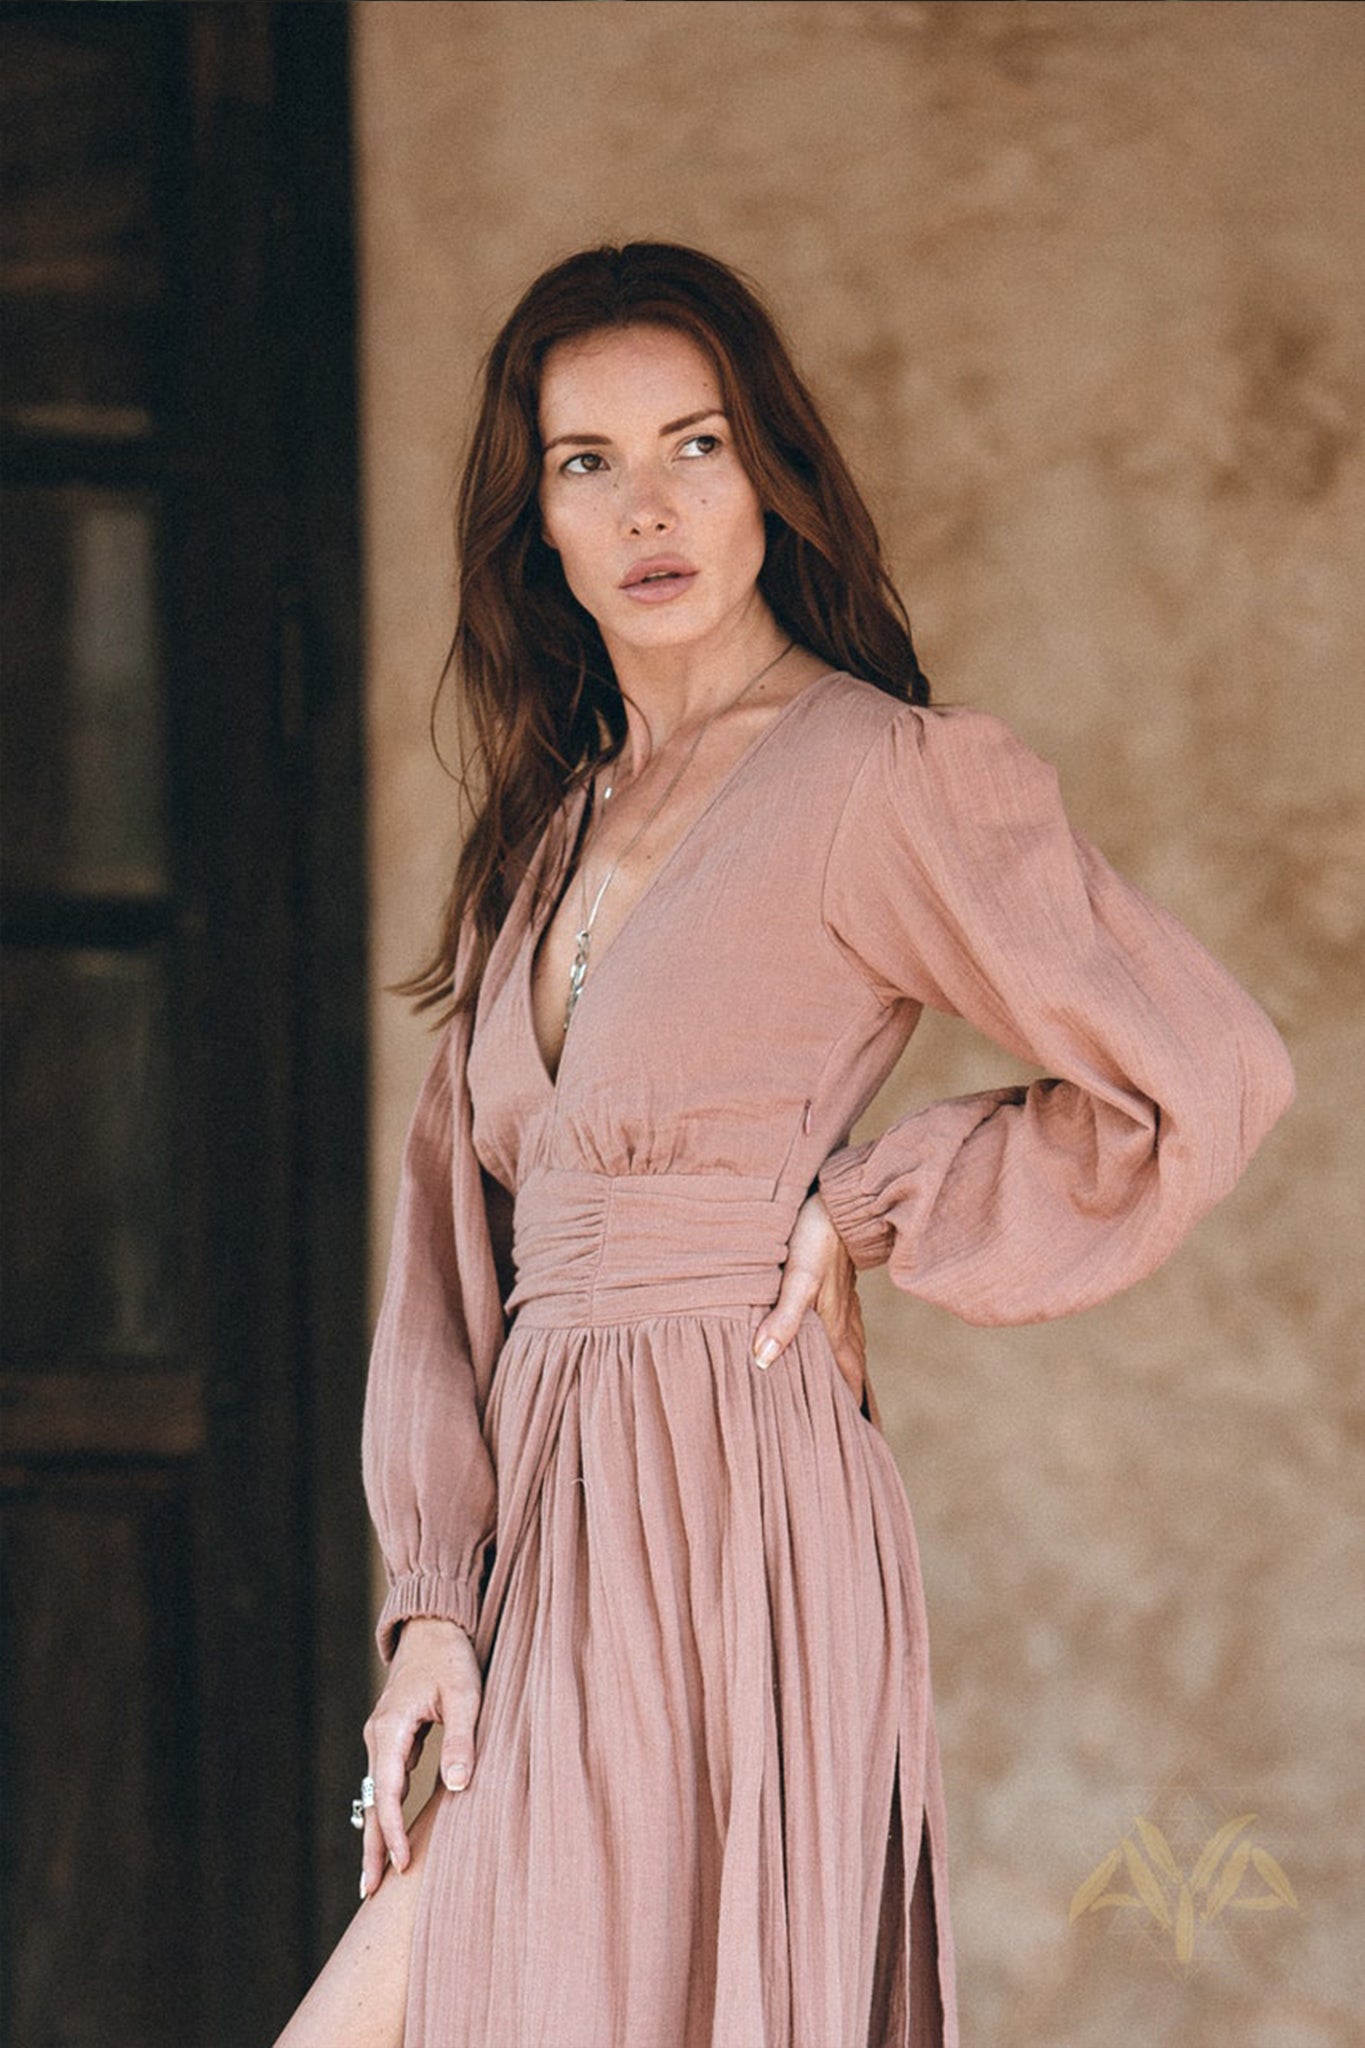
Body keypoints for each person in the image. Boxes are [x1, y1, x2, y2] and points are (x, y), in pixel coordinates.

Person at [274, 241, 1294, 2048]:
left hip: (729, 1509)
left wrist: (872, 1206)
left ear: (772, 480)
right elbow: (450, 1252)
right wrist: (430, 1605)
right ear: (541, 530)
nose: (648, 505)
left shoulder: (881, 776)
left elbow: (1200, 1068)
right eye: (587, 463)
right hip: (541, 1539)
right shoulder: (542, 835)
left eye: (699, 443)